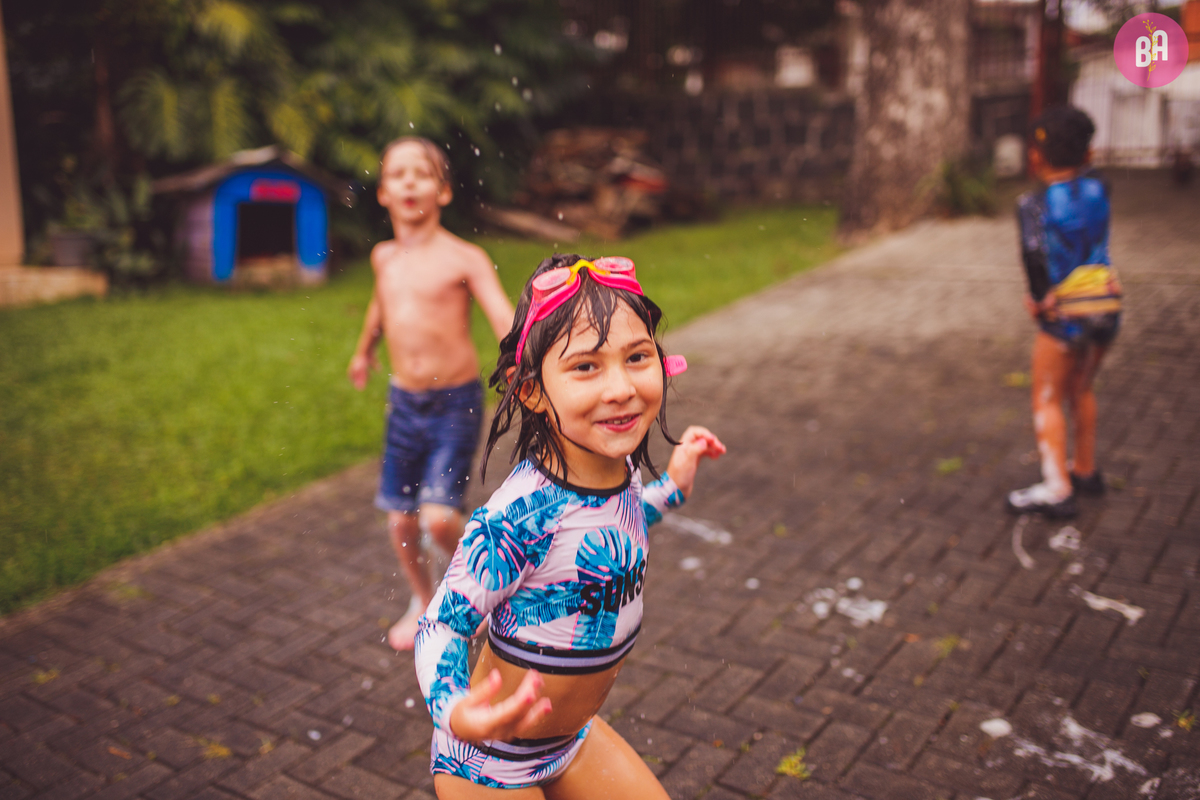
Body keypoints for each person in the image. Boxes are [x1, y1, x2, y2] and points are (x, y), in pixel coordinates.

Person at [414, 254, 725, 797]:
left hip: (571, 740)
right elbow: (441, 625)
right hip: (488, 758)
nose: (621, 387)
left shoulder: (618, 468)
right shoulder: (520, 518)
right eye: (586, 367)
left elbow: (622, 518)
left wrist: (672, 488)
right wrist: (454, 707)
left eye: (637, 357)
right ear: (531, 389)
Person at [348, 137, 515, 650]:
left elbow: (502, 314)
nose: (409, 182)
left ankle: (489, 586)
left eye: (421, 173)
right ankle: (424, 599)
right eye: (398, 174)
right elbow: (382, 304)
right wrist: (364, 350)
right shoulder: (383, 256)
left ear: (443, 192)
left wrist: (520, 357)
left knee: (439, 520)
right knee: (401, 520)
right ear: (383, 193)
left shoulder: (464, 257)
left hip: (454, 404)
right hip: (404, 403)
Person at [1007, 107, 1121, 519]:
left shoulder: (1032, 204)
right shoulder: (1099, 188)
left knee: (1048, 397)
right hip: (1106, 305)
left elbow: (1033, 253)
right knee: (1082, 388)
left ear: (1036, 156)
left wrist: (1040, 299)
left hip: (1065, 315)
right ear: (1089, 152)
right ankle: (1085, 470)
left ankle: (1057, 488)